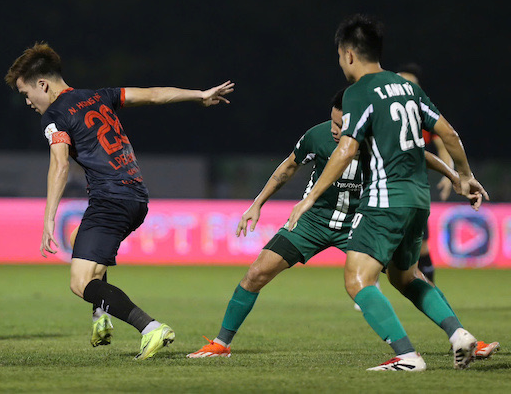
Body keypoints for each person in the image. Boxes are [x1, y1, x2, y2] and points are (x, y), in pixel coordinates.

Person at [187, 88, 497, 359]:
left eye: (342, 124)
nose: (335, 130)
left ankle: (465, 338)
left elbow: (421, 155)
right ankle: (221, 344)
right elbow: (288, 167)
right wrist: (257, 203)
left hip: (363, 222)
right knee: (256, 273)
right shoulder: (317, 136)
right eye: (333, 122)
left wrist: (455, 176)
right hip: (313, 221)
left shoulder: (378, 137)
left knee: (410, 278)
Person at [5, 42, 233, 359]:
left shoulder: (55, 116)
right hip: (136, 197)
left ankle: (150, 328)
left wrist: (48, 218)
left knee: (79, 283)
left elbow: (59, 165)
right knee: (81, 241)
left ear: (42, 84)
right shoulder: (100, 96)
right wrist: (199, 95)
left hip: (110, 199)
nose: (28, 101)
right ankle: (101, 316)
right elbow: (154, 95)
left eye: (26, 93)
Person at [287, 14, 489, 371]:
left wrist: (311, 196)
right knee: (404, 277)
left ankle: (407, 355)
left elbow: (346, 149)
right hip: (418, 199)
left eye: (339, 56)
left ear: (349, 54)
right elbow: (449, 135)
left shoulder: (358, 92)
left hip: (384, 199)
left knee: (357, 279)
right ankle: (458, 334)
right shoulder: (408, 88)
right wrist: (465, 176)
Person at [396, 63, 450, 284]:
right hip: (382, 184)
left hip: (414, 186)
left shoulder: (423, 114)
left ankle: (431, 291)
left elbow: (445, 144)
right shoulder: (381, 109)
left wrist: (448, 174)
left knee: (422, 246)